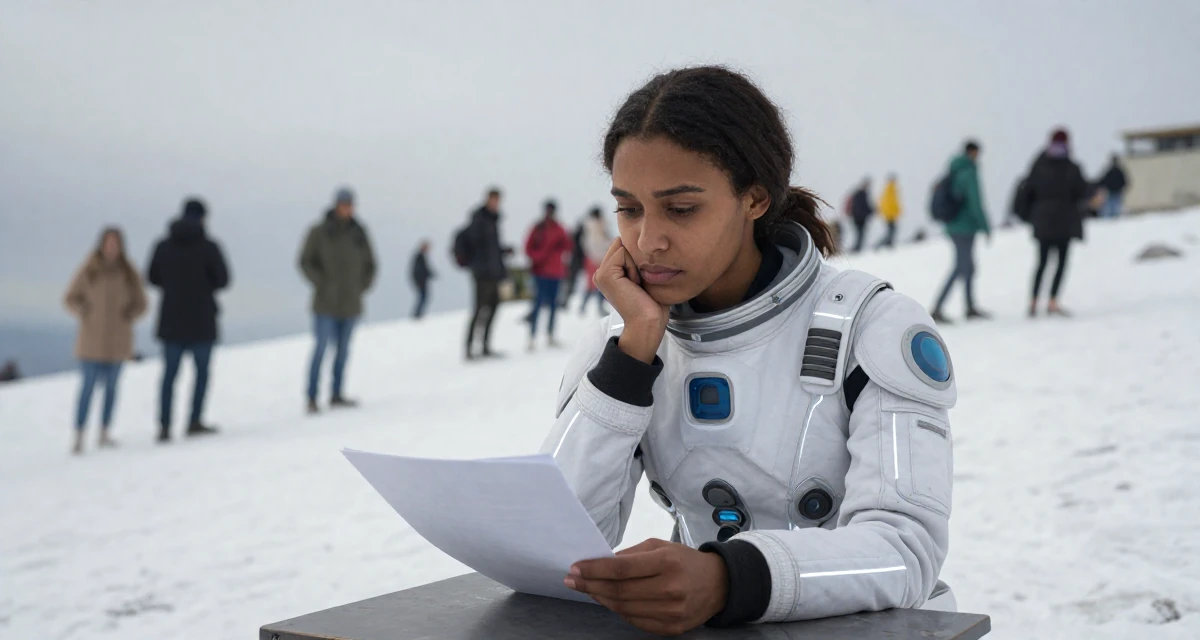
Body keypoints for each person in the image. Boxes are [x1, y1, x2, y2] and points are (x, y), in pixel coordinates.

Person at [541, 66, 957, 635]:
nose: (647, 240)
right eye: (630, 209)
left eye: (681, 208)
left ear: (755, 197)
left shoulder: (871, 327)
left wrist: (727, 579)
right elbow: (557, 550)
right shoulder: (621, 347)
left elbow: (905, 550)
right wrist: (631, 354)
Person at [148, 198, 230, 442]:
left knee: (169, 376)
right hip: (202, 321)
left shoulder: (163, 246)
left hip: (171, 320)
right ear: (203, 218)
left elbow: (152, 277)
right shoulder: (209, 247)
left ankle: (164, 426)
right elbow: (224, 279)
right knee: (201, 374)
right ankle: (194, 420)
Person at [63, 227, 147, 454]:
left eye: (115, 243)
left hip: (118, 341)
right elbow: (70, 297)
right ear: (101, 245)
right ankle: (79, 435)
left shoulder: (128, 273)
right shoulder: (89, 270)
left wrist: (130, 314)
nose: (112, 248)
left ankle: (104, 432)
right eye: (108, 243)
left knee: (111, 388)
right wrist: (84, 311)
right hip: (91, 341)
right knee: (87, 388)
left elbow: (142, 302)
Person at [299, 187, 377, 414]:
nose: (347, 209)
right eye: (343, 204)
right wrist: (321, 283)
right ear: (336, 205)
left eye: (350, 205)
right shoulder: (319, 232)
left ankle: (336, 394)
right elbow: (305, 261)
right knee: (321, 348)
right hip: (325, 303)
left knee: (343, 351)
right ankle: (312, 397)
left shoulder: (359, 233)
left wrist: (361, 287)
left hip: (350, 304)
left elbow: (371, 264)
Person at [1026, 129, 1087, 317]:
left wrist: (1033, 215)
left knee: (1042, 263)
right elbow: (1081, 191)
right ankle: (1052, 302)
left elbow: (1029, 191)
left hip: (1044, 221)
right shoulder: (1070, 166)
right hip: (1064, 222)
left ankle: (1034, 302)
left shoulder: (1039, 164)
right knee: (1060, 263)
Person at [931, 141, 992, 324]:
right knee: (961, 267)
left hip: (955, 226)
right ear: (973, 152)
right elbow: (975, 202)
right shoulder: (969, 172)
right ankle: (938, 308)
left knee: (968, 267)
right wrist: (985, 226)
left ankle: (969, 306)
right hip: (964, 227)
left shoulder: (954, 169)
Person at [463, 188, 511, 359]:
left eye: (498, 200)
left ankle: (484, 346)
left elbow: (493, 249)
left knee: (493, 308)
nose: (496, 203)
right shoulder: (479, 219)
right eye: (494, 200)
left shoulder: (493, 220)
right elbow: (477, 245)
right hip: (482, 273)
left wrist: (503, 254)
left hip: (494, 273)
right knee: (478, 310)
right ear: (488, 199)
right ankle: (468, 348)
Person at [523, 200, 573, 350]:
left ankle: (550, 334)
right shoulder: (538, 228)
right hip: (540, 273)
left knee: (553, 304)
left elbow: (569, 246)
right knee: (537, 303)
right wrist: (540, 256)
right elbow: (528, 248)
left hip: (556, 273)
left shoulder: (560, 228)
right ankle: (532, 336)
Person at [578, 207, 612, 315]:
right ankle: (584, 305)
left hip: (601, 257)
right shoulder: (588, 226)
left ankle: (598, 306)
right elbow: (586, 244)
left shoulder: (602, 225)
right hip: (592, 258)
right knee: (593, 284)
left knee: (600, 283)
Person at [560, 216, 588, 309]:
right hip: (577, 261)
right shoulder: (579, 236)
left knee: (572, 283)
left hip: (577, 261)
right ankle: (566, 302)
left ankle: (566, 302)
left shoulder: (575, 235)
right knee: (571, 283)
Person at [875, 174, 902, 250]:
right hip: (890, 214)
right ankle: (883, 244)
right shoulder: (890, 189)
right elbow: (890, 203)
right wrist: (895, 211)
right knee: (891, 231)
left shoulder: (890, 189)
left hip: (890, 214)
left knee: (891, 231)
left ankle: (888, 244)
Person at [1097, 153, 1128, 219]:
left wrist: (1121, 187)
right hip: (1111, 192)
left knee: (1116, 207)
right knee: (1109, 207)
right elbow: (1104, 180)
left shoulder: (1119, 171)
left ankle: (1115, 219)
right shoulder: (1110, 171)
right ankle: (1109, 219)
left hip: (1117, 192)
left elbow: (1124, 181)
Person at [848, 178, 874, 253]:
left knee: (860, 234)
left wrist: (870, 211)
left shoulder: (860, 193)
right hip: (859, 218)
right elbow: (862, 206)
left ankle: (857, 248)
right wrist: (868, 212)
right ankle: (856, 248)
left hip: (858, 217)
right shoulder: (861, 194)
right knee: (860, 234)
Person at [410, 240, 435, 320]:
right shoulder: (419, 257)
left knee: (423, 297)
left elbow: (425, 269)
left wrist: (431, 274)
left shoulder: (421, 256)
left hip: (421, 281)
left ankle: (418, 314)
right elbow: (420, 270)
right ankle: (417, 314)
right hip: (421, 281)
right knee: (423, 297)